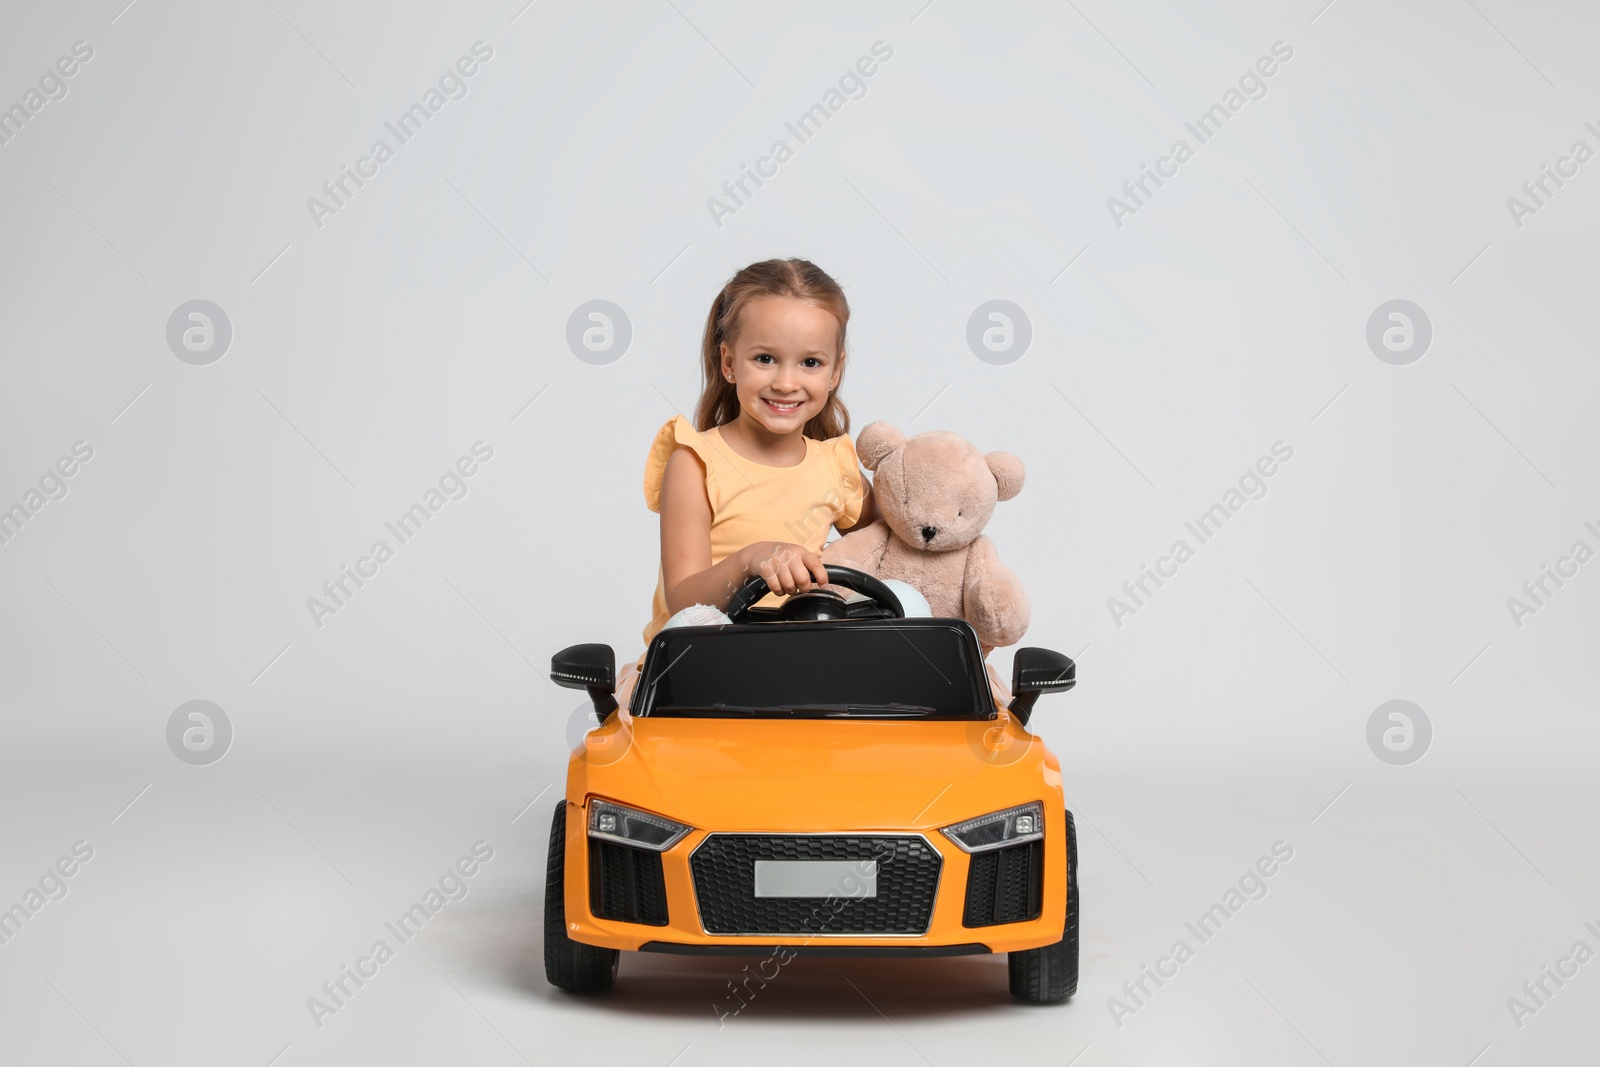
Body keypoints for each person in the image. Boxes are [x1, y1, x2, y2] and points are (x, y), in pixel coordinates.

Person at [612, 258, 1012, 713]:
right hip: (703, 668)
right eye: (764, 359)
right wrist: (752, 558)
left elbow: (901, 547)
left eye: (810, 363)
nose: (786, 382)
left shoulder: (834, 466)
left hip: (807, 667)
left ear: (834, 371)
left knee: (905, 602)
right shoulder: (695, 461)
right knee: (694, 624)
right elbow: (682, 599)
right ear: (728, 362)